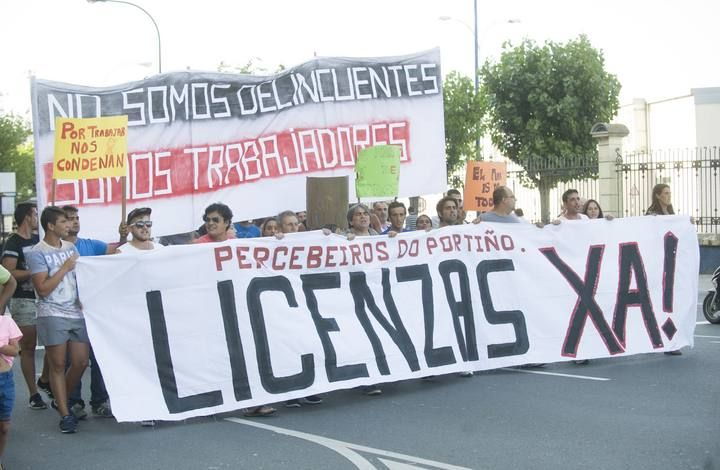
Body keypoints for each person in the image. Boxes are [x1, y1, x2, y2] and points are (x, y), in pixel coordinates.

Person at [194, 204, 275, 417]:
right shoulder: (196, 247)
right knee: (217, 355)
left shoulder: (237, 245)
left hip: (236, 308)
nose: (210, 223)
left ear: (227, 223)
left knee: (244, 355)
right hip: (209, 309)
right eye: (208, 220)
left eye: (215, 220)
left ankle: (253, 399)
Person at [27, 207, 89, 434]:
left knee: (81, 362)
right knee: (58, 365)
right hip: (51, 313)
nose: (69, 225)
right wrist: (64, 268)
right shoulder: (36, 252)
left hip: (76, 312)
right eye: (64, 221)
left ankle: (58, 399)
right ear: (51, 226)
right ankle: (65, 414)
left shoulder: (71, 248)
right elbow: (42, 289)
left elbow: (80, 277)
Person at [62, 206, 119, 419]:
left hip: (95, 312)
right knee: (74, 360)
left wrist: (123, 236)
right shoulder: (57, 250)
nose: (75, 222)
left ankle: (99, 401)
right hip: (69, 312)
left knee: (98, 356)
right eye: (69, 219)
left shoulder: (91, 245)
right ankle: (74, 401)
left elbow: (118, 253)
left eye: (77, 218)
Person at [116, 208, 164, 426]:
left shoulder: (162, 250)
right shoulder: (121, 253)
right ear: (130, 228)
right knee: (140, 363)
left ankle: (160, 404)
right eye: (139, 224)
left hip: (160, 314)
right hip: (134, 316)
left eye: (148, 223)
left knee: (159, 362)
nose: (145, 228)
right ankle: (144, 408)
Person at [0, 202, 49, 411]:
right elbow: (8, 274)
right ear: (27, 217)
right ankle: (33, 393)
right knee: (28, 348)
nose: (37, 217)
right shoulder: (13, 243)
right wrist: (34, 272)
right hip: (24, 299)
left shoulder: (41, 241)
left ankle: (45, 379)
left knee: (55, 344)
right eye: (35, 213)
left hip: (46, 298)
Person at [276, 210, 324, 409]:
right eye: (289, 224)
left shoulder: (307, 243)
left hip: (305, 303)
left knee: (309, 344)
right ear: (280, 228)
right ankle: (291, 392)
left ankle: (309, 388)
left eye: (296, 224)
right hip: (283, 305)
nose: (294, 227)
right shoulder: (272, 245)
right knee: (289, 349)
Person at [645, 184, 683, 356]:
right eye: (666, 193)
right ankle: (664, 341)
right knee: (662, 306)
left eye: (670, 193)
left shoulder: (672, 214)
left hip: (671, 264)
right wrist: (650, 221)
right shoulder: (651, 214)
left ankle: (671, 342)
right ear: (658, 195)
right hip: (658, 266)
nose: (669, 196)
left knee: (672, 306)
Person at [0, 264, 20, 469]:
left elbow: (16, 351)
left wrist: (2, 347)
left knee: (4, 426)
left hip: (5, 380)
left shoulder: (5, 322)